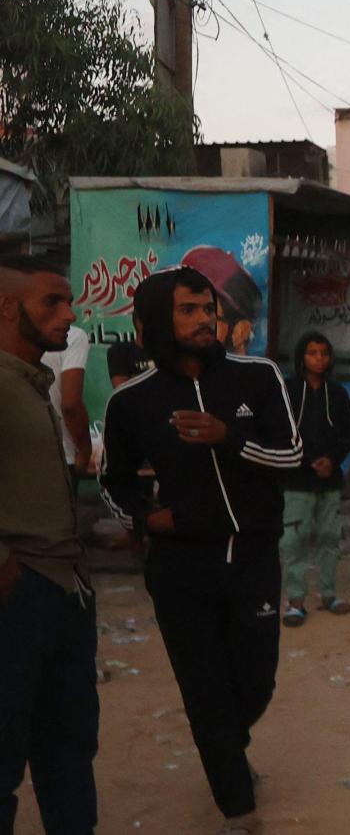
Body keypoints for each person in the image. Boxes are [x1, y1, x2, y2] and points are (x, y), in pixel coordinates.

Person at [100, 266, 302, 835]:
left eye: (208, 308)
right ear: (158, 322)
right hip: (179, 564)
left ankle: (228, 748)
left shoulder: (257, 376)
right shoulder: (131, 403)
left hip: (253, 554)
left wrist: (227, 437)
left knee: (255, 680)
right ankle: (237, 808)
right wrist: (144, 517)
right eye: (188, 310)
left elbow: (290, 456)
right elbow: (115, 482)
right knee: (203, 687)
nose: (204, 320)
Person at [0, 255, 97, 835]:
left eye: (69, 303)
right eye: (51, 304)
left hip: (64, 590)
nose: (68, 316)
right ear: (9, 310)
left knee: (68, 752)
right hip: (21, 591)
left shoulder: (32, 382)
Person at [278, 332, 350, 627]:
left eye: (324, 352)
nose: (319, 358)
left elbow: (349, 432)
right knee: (293, 540)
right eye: (312, 353)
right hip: (296, 479)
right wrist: (306, 460)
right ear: (301, 357)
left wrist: (332, 460)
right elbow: (280, 431)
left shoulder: (336, 394)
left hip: (329, 479)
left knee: (329, 536)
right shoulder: (287, 391)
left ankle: (328, 594)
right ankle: (295, 601)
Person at [43, 314, 93, 479]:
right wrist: (85, 449)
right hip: (60, 454)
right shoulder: (73, 336)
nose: (71, 314)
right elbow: (71, 405)